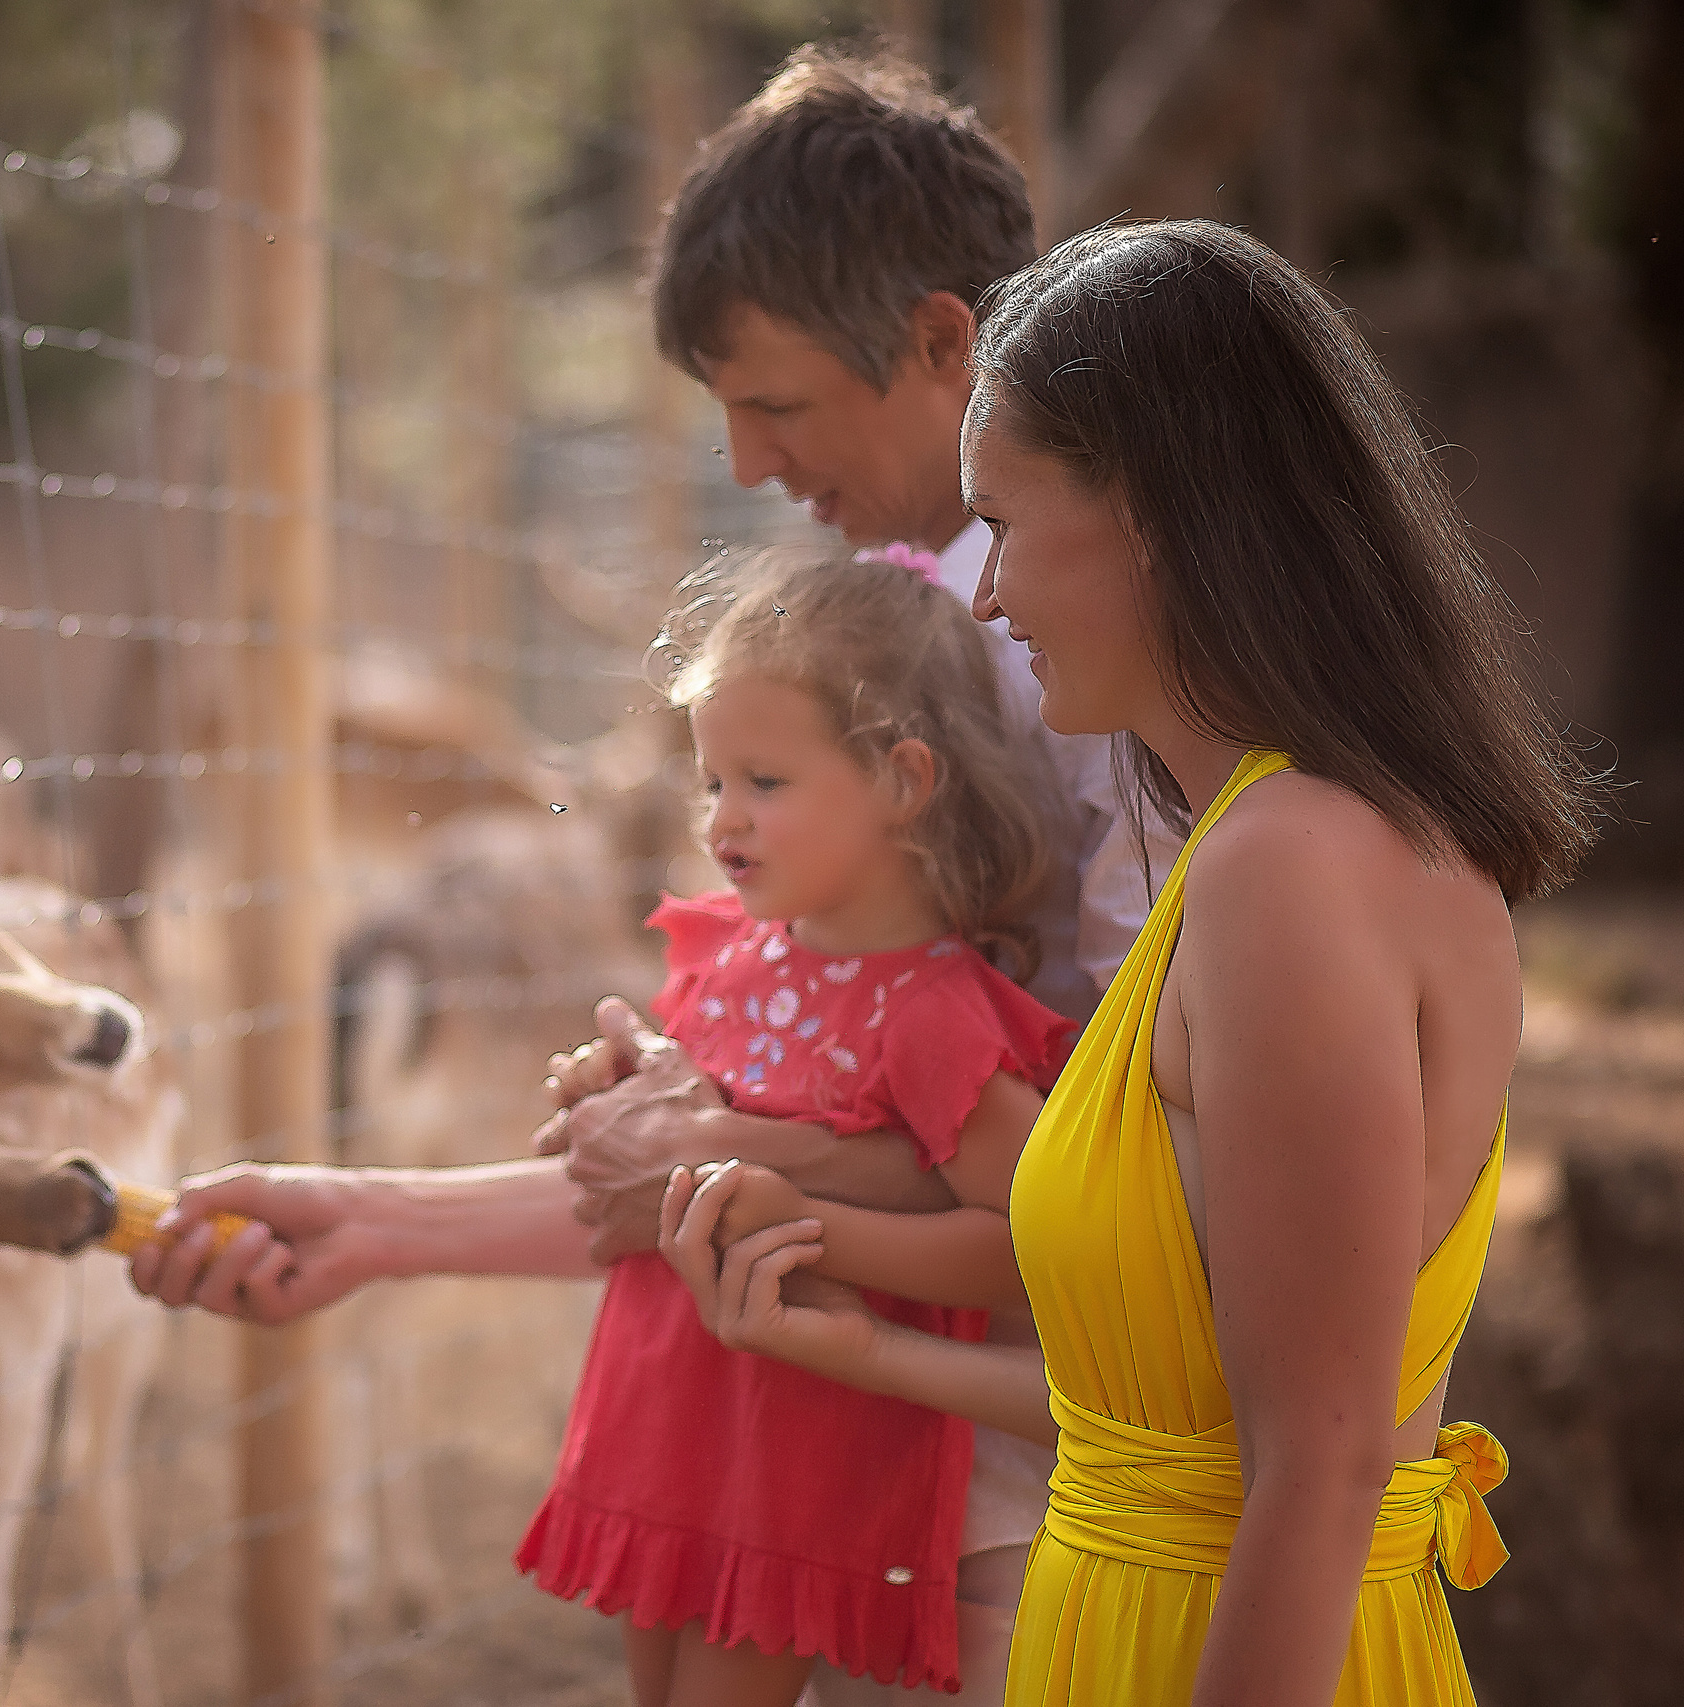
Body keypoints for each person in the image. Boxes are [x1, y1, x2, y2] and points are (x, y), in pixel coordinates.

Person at [134, 47, 1162, 1703]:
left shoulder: (1072, 672)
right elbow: (813, 1130)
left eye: (778, 404)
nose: (749, 463)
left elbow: (1102, 1163)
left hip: (1042, 1477)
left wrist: (733, 1136)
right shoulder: (890, 642)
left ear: (941, 342)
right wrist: (386, 1218)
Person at [655, 218, 1601, 1705]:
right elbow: (1190, 1418)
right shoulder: (1268, 841)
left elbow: (1324, 1459)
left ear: (1158, 512)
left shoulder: (1289, 864)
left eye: (1007, 525)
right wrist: (854, 1338)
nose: (984, 593)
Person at [515, 547, 1077, 1705]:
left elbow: (1034, 1237)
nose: (724, 819)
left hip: (789, 1455)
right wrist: (615, 1092)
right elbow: (687, 1115)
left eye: (763, 783)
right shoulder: (726, 955)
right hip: (670, 1415)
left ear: (903, 781)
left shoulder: (927, 1015)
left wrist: (803, 1222)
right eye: (711, 782)